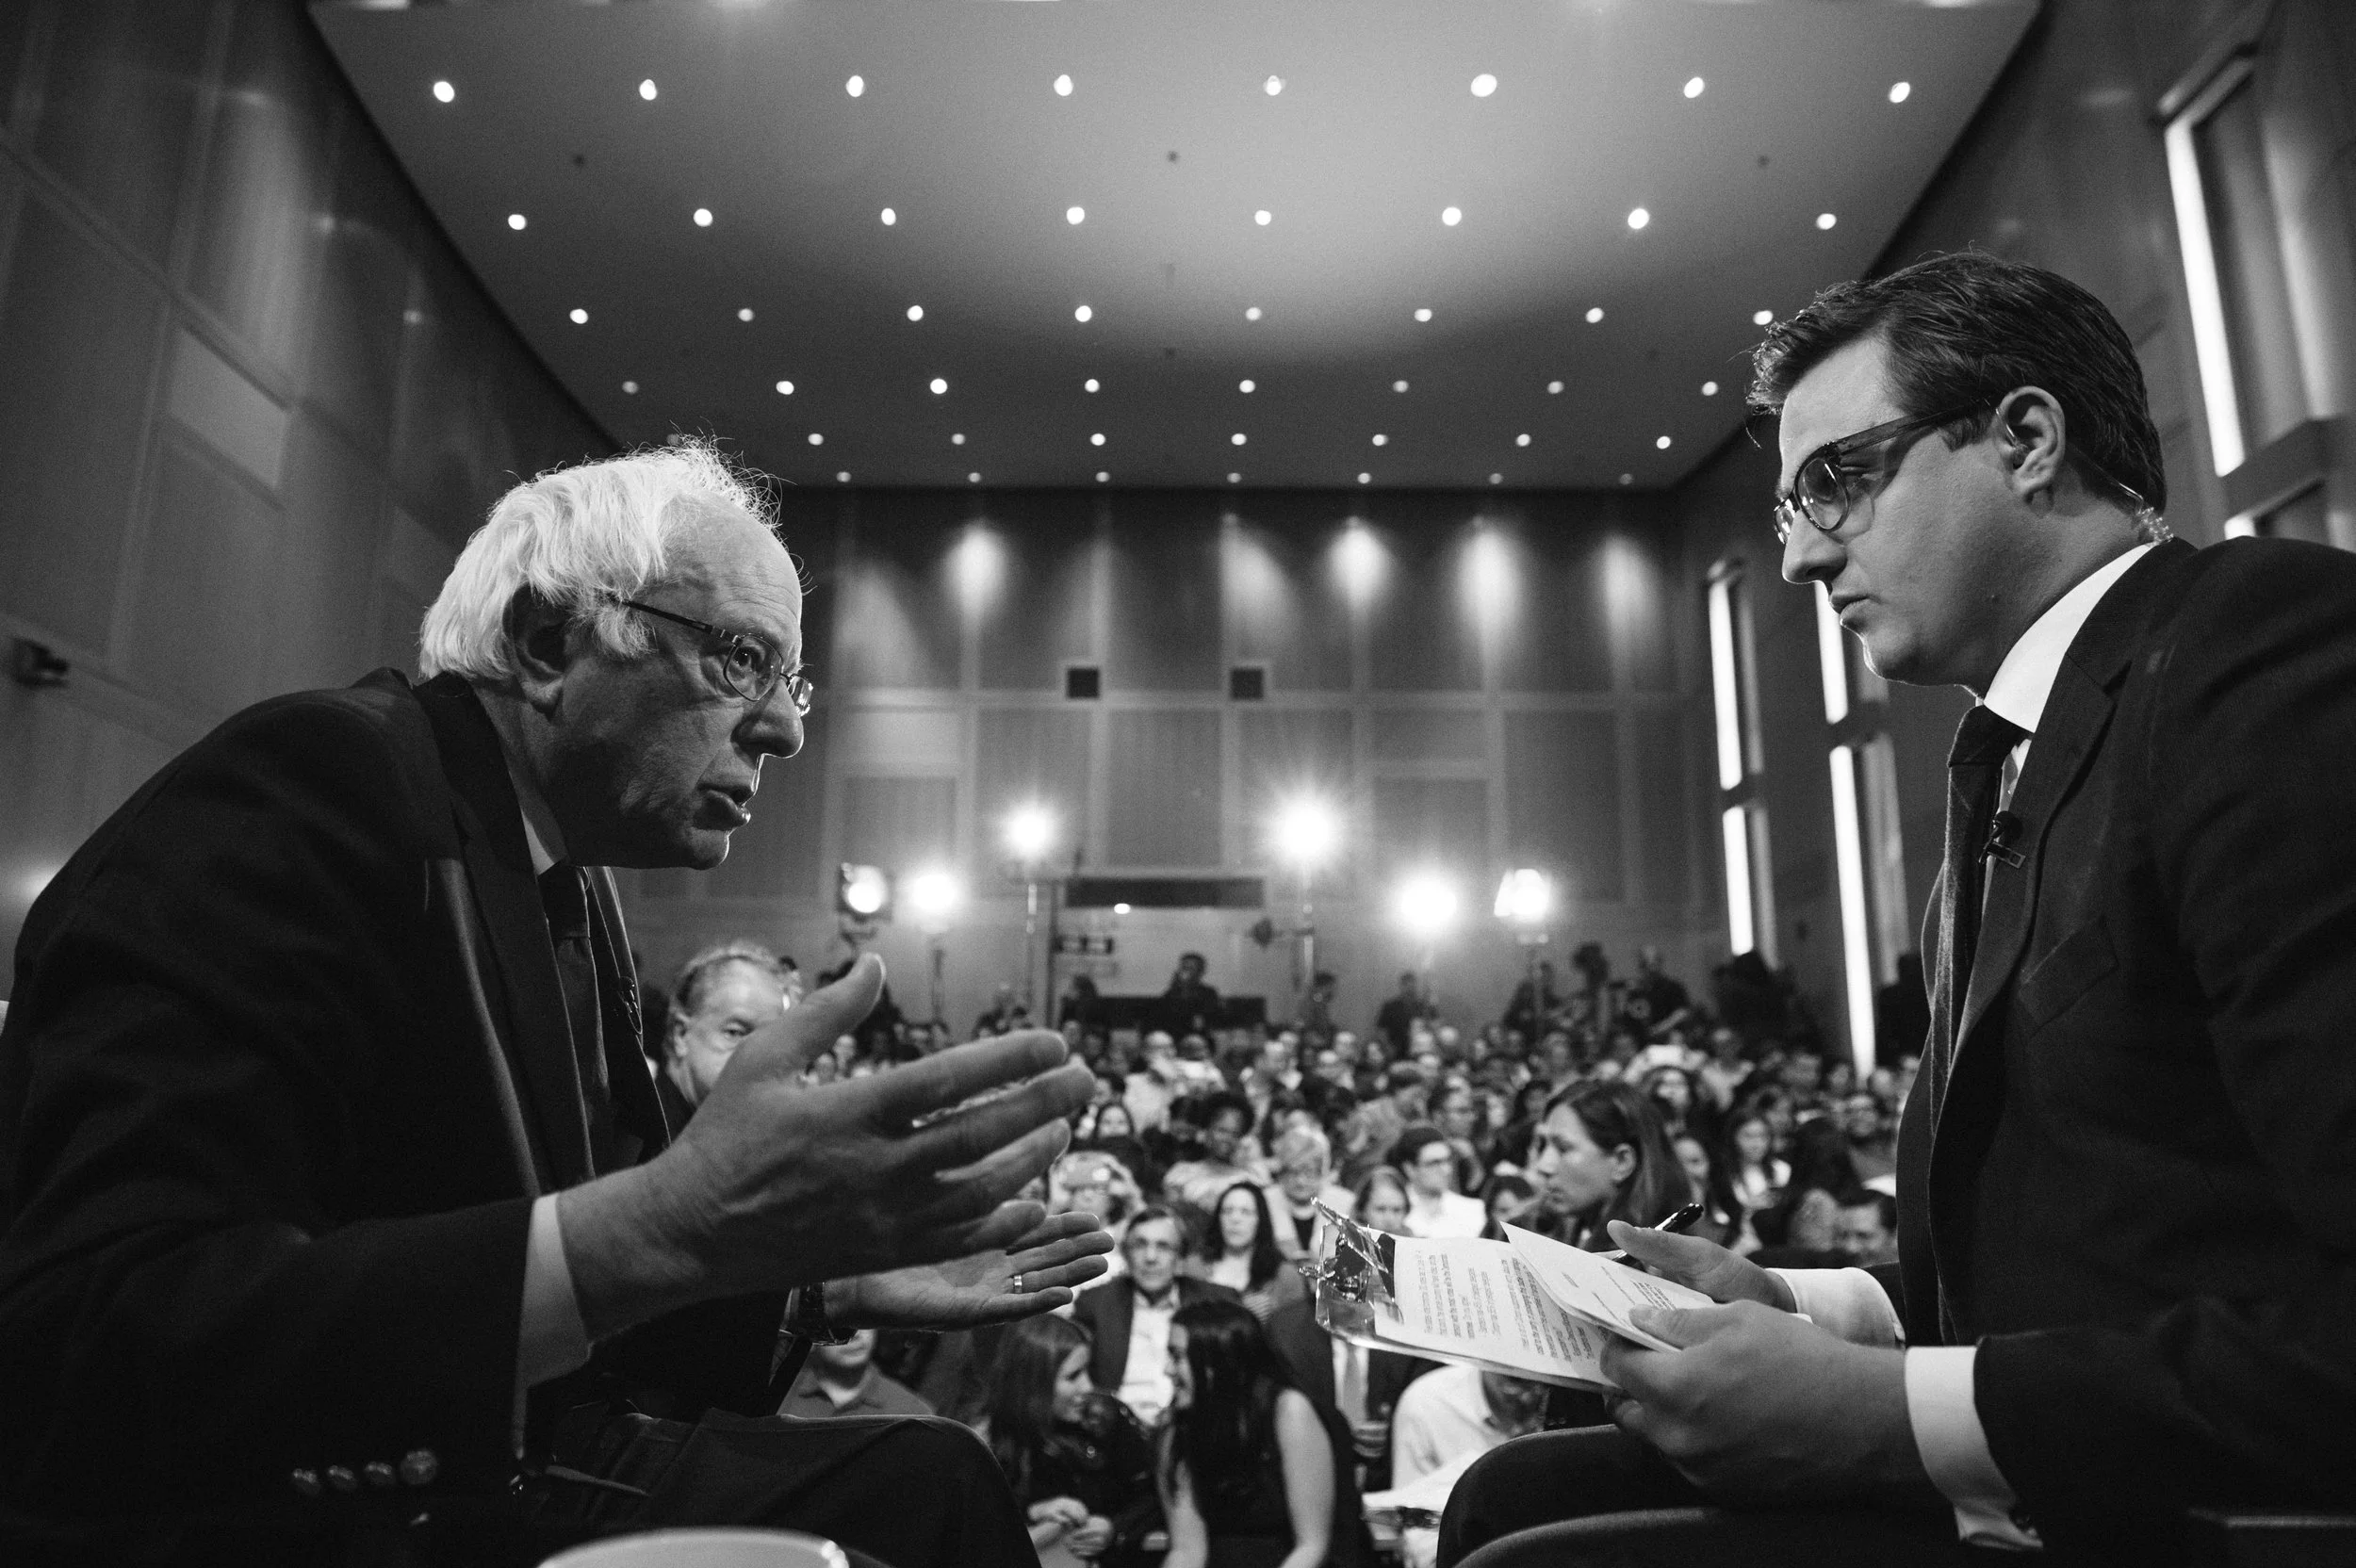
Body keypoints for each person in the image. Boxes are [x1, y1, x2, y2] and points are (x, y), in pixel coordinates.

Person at [0, 444, 1112, 1566]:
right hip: (293, 1512)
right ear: (547, 643)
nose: (785, 729)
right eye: (739, 660)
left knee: (930, 1481)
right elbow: (94, 1325)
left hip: (513, 1460)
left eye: (790, 679)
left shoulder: (569, 878)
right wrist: (667, 1226)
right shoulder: (315, 784)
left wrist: (816, 1276)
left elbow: (600, 1263)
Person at [1441, 253, 2356, 1563]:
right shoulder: (2008, 762)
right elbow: (2099, 1246)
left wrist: (1890, 1413)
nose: (1804, 554)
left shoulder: (2258, 657)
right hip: (2064, 1463)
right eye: (1786, 506)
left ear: (2027, 440)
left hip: (2195, 1513)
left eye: (1837, 478)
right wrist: (1810, 1309)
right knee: (1512, 1497)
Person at [1159, 1299, 1337, 1568]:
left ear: (1213, 1361)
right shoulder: (1178, 1429)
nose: (1168, 1370)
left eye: (1177, 1356)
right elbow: (1187, 1551)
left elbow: (1311, 1547)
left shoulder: (1288, 1413)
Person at [980, 1315, 1159, 1568]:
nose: (1087, 1386)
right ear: (1033, 1383)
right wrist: (1035, 1511)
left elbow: (1155, 1494)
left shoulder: (1107, 1417)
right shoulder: (995, 1437)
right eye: (1073, 1376)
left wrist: (1114, 1528)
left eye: (1087, 1370)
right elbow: (981, 1527)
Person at [1073, 1207, 1238, 1428]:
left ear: (1180, 1258)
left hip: (1193, 1424)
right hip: (1116, 1431)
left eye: (1163, 1247)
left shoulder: (1216, 1302)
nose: (1150, 1258)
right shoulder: (1095, 1304)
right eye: (1140, 1245)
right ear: (1126, 1255)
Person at [1524, 1080, 1685, 1250]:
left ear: (1622, 1162)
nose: (1543, 1165)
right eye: (1543, 1145)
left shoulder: (1654, 1266)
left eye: (1563, 1148)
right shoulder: (1564, 1230)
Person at [658, 939, 794, 1123]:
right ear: (680, 1034)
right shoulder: (635, 1137)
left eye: (770, 1039)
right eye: (735, 1033)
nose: (757, 1055)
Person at [1203, 1181, 1309, 1323]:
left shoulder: (1285, 1276)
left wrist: (1273, 1316)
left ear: (1260, 1220)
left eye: (1246, 1212)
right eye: (1227, 1211)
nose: (1235, 1219)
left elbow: (1297, 1335)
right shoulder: (1194, 1266)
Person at [776, 1329, 933, 1419]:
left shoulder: (913, 1414)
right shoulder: (779, 1391)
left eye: (864, 1322)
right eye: (840, 1325)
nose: (856, 1334)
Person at [1164, 1092, 1264, 1212]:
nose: (1227, 1139)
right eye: (1221, 1130)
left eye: (1235, 1134)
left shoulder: (1248, 1180)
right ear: (1207, 1129)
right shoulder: (1181, 1174)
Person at [1266, 1125, 1353, 1260]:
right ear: (1282, 1172)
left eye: (1309, 1172)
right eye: (1293, 1172)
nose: (1300, 1181)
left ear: (1321, 1172)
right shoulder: (1265, 1200)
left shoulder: (1345, 1202)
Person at [1392, 1124, 1487, 1240]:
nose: (1447, 1170)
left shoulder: (1474, 1211)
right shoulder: (1392, 1211)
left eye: (1448, 1161)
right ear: (1410, 1169)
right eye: (1434, 1163)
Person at [1161, 954, 1223, 1037]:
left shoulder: (1209, 993)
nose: (1185, 972)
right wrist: (1177, 987)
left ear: (1200, 971)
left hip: (1200, 1038)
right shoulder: (1172, 993)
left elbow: (1204, 1022)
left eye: (1190, 968)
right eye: (1183, 968)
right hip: (1174, 1036)